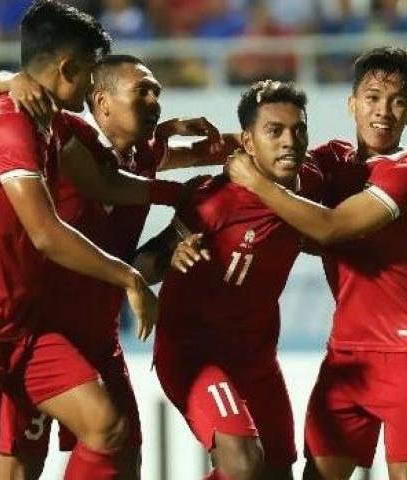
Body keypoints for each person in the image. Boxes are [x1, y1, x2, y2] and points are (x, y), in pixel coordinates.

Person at [0, 3, 164, 479]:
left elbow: (104, 178)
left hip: (21, 325)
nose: (92, 89)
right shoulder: (10, 126)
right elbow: (46, 233)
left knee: (107, 425)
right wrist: (129, 276)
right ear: (67, 68)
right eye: (88, 75)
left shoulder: (49, 123)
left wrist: (176, 189)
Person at [0, 53, 236, 479]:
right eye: (143, 90)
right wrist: (15, 80)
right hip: (38, 331)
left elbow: (134, 263)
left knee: (124, 456)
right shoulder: (62, 142)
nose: (156, 99)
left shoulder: (146, 155)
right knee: (19, 466)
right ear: (101, 102)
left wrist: (252, 147)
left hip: (99, 335)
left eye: (157, 90)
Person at [224, 47, 407, 480]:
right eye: (372, 98)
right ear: (352, 103)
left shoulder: (406, 176)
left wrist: (252, 179)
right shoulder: (333, 159)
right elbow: (276, 152)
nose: (383, 111)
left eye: (397, 101)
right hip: (346, 352)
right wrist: (191, 147)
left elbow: (329, 228)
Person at [143, 80, 324, 480]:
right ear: (248, 141)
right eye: (273, 131)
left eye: (298, 130)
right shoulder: (214, 200)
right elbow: (145, 264)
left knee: (275, 474)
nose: (289, 141)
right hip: (194, 354)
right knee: (241, 462)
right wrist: (171, 255)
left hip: (257, 357)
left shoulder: (311, 184)